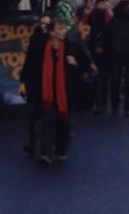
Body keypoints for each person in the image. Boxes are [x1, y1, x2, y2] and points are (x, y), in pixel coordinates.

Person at [21, 16, 95, 164]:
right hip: (46, 92)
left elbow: (86, 67)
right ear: (51, 32)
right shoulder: (41, 47)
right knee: (47, 121)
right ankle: (46, 152)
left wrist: (75, 64)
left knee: (63, 122)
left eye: (63, 29)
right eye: (59, 29)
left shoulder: (71, 47)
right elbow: (31, 67)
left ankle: (61, 150)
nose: (63, 31)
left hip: (65, 92)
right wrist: (29, 87)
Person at [85, 0, 112, 114]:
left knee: (101, 77)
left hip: (98, 50)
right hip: (99, 50)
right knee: (100, 77)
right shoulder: (99, 16)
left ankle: (100, 100)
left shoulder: (99, 16)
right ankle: (100, 100)